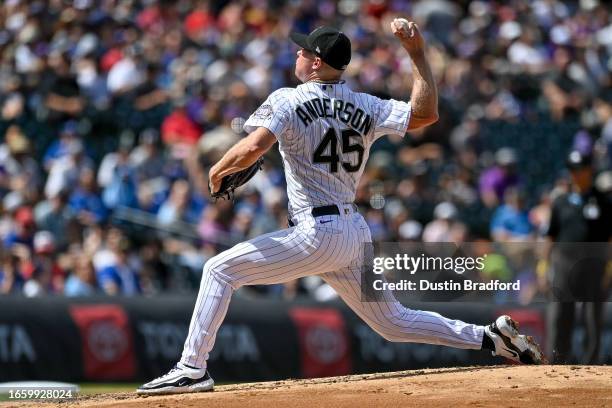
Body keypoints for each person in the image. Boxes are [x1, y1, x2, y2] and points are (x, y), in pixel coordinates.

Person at [138, 21, 544, 395]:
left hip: (316, 232)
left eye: (302, 52)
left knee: (218, 270)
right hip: (352, 229)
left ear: (316, 63)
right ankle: (490, 337)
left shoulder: (288, 99)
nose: (295, 55)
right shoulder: (365, 104)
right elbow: (426, 113)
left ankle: (192, 368)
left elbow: (254, 147)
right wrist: (418, 54)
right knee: (393, 323)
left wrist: (216, 170)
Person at [545, 151, 612, 364]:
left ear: (589, 170)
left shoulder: (603, 200)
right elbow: (551, 237)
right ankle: (557, 362)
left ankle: (591, 363)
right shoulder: (561, 202)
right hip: (564, 262)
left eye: (580, 169)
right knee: (561, 314)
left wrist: (609, 268)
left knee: (593, 317)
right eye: (572, 170)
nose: (576, 175)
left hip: (595, 264)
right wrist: (544, 266)